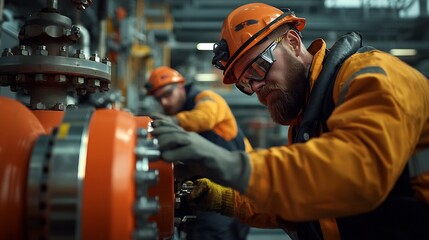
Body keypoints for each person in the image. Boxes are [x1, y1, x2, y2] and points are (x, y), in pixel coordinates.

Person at [150, 3, 429, 240]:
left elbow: (356, 174)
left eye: (259, 67)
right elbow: (305, 198)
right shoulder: (309, 117)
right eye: (246, 82)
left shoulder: (371, 77)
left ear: (294, 44)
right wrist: (226, 198)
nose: (257, 86)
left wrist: (230, 165)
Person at [145, 66, 251, 240]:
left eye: (167, 94)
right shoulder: (177, 115)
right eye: (159, 99)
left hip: (231, 189)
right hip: (206, 193)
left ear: (180, 86)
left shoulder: (206, 98)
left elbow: (205, 118)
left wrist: (172, 121)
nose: (164, 102)